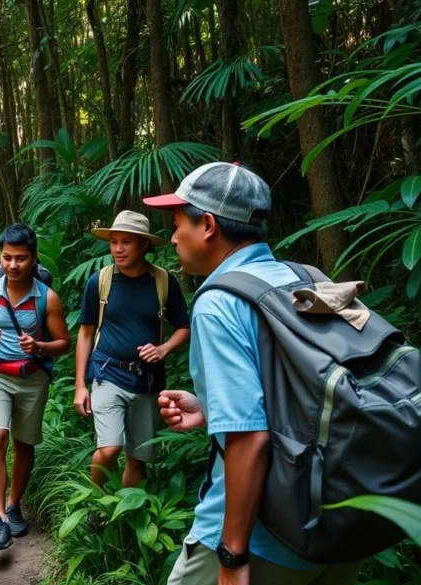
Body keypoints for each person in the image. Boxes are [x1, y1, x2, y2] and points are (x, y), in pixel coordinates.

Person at [143, 163, 361, 585]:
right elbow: (306, 391)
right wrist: (210, 408)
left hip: (265, 535)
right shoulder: (305, 278)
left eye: (175, 224)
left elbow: (250, 437)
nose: (171, 238)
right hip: (335, 523)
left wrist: (232, 556)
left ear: (207, 225)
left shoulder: (218, 301)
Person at [0, 224, 71, 551]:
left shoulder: (47, 298)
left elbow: (64, 343)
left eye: (21, 259)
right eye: (7, 257)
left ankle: (14, 505)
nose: (13, 265)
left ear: (33, 259)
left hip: (32, 377)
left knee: (24, 445)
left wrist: (39, 347)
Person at [73, 211, 190, 492]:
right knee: (110, 448)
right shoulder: (99, 281)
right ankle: (97, 506)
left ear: (144, 245)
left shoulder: (163, 282)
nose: (118, 249)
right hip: (107, 372)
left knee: (138, 458)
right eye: (113, 242)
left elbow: (184, 327)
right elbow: (86, 333)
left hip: (148, 381)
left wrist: (164, 348)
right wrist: (80, 385)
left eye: (126, 242)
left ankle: (125, 517)